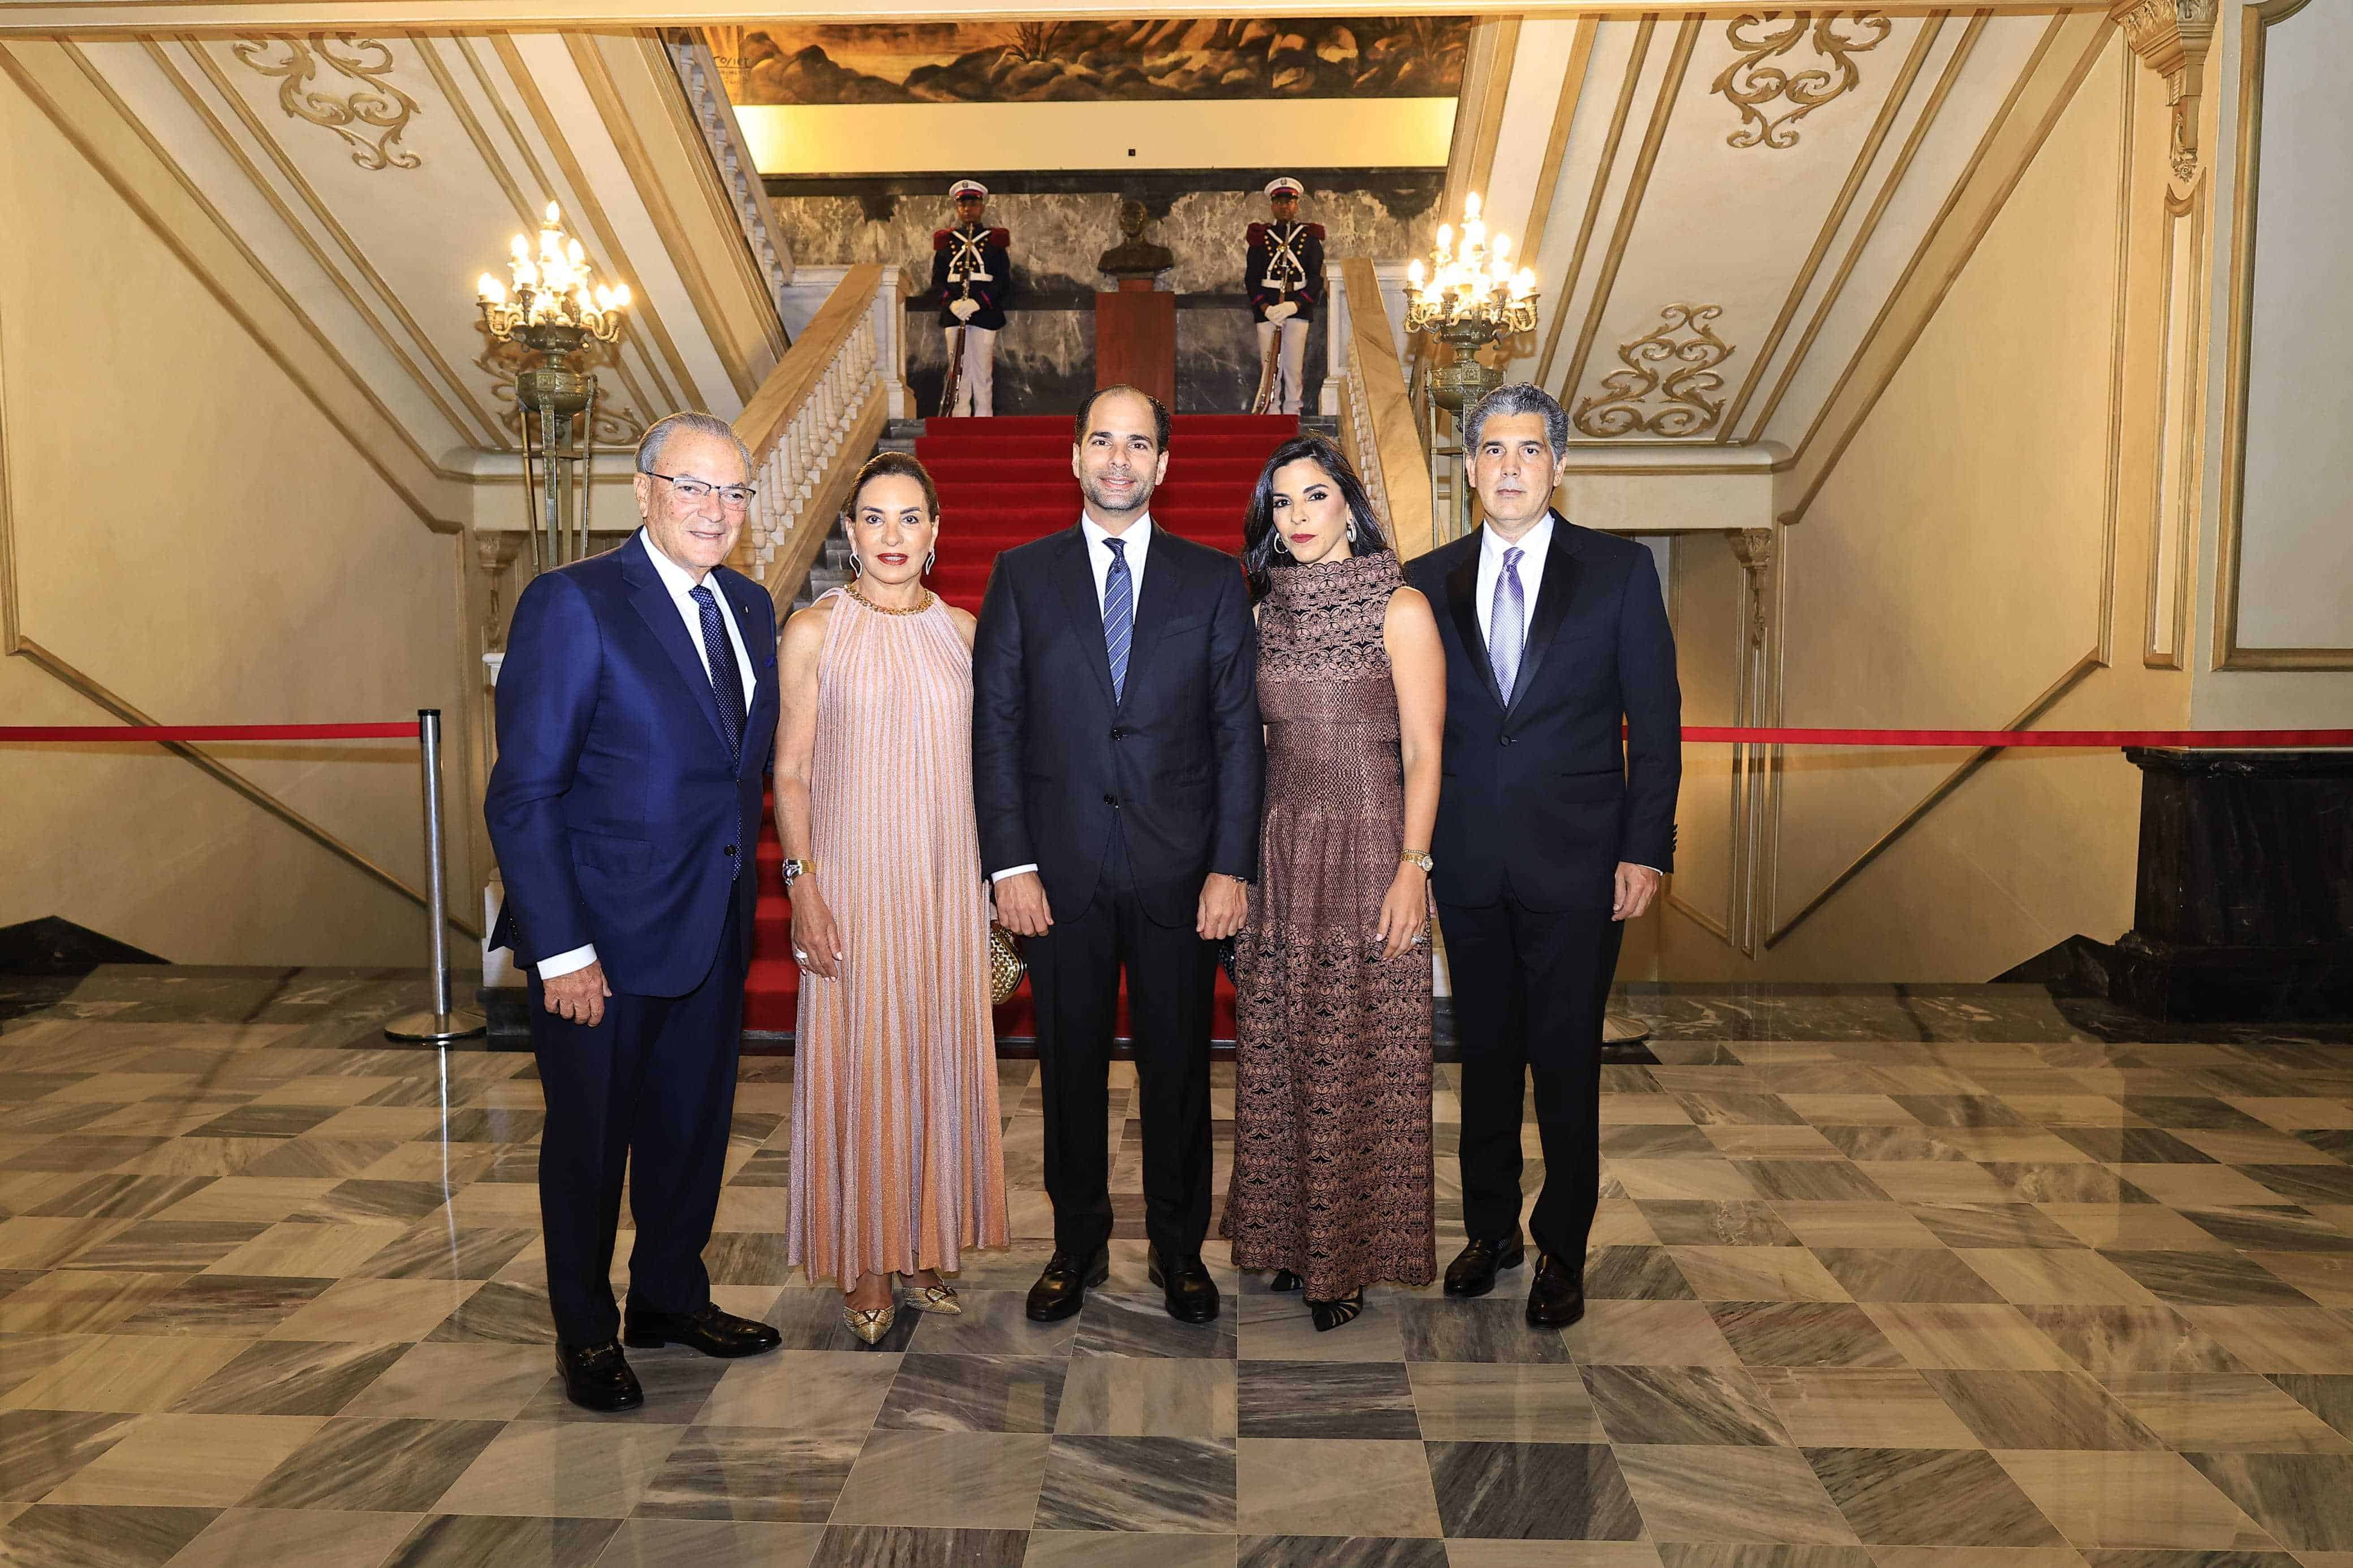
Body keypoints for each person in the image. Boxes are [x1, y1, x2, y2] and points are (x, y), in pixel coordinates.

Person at [486, 411, 786, 1412]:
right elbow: (524, 792)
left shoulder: (748, 606)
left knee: (691, 1130)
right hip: (601, 945)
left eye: (733, 492)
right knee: (587, 1141)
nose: (715, 510)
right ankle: (585, 1328)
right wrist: (560, 947)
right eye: (692, 487)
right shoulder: (574, 603)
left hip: (711, 925)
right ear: (644, 490)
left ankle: (668, 1293)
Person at [973, 385, 1263, 1326]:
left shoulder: (1213, 580)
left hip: (1181, 874)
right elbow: (999, 728)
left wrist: (1233, 866)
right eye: (1103, 440)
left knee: (1179, 1068)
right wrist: (1008, 863)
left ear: (1163, 465)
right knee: (1069, 1068)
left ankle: (1180, 1251)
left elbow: (1236, 735)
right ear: (1075, 455)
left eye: (1139, 444)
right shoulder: (1022, 575)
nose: (1119, 459)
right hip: (1058, 875)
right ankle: (1077, 1244)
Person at [1403, 383, 1680, 1329]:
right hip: (1469, 861)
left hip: (1582, 865)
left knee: (1565, 1060)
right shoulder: (1425, 579)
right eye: (1492, 449)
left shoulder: (1619, 573)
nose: (1510, 466)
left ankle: (1565, 1241)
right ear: (1470, 466)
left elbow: (1660, 722)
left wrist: (1647, 848)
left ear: (1558, 466)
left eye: (1529, 450)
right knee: (1484, 1056)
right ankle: (1491, 1229)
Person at [772, 452, 1009, 1345]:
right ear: (849, 534)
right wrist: (804, 886)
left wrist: (994, 881)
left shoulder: (966, 631)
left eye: (911, 518)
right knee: (865, 1065)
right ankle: (867, 1259)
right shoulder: (815, 632)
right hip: (854, 882)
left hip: (947, 882)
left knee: (935, 1057)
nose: (893, 536)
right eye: (875, 518)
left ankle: (922, 1248)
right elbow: (790, 772)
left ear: (938, 534)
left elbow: (993, 766)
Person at [1220, 435, 1445, 1331]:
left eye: (1315, 497)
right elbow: (1257, 746)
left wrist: (1413, 868)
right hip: (1282, 846)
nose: (1298, 517)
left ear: (1349, 504)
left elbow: (1427, 751)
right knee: (1278, 1047)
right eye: (1282, 503)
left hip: (1370, 843)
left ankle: (1345, 1255)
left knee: (1357, 1052)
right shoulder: (1263, 613)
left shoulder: (1401, 607)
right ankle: (1283, 1235)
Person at [1244, 178, 1324, 416]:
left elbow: (1316, 279)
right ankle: (1271, 412)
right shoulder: (1261, 237)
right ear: (1273, 205)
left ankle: (1292, 413)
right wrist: (1266, 308)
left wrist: (1295, 304)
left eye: (1289, 202)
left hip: (1296, 309)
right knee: (1269, 366)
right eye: (1279, 201)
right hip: (1269, 309)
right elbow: (1251, 279)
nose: (1284, 206)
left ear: (1296, 205)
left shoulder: (1309, 238)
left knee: (1293, 366)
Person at [932, 179, 1011, 417]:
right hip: (955, 314)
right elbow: (938, 281)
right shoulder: (947, 241)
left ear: (982, 206)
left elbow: (1002, 280)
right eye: (963, 205)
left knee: (983, 370)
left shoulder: (995, 240)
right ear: (958, 208)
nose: (968, 209)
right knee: (958, 370)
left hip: (985, 313)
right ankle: (960, 416)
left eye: (973, 204)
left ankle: (984, 415)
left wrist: (978, 302)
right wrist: (953, 303)